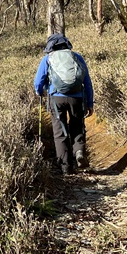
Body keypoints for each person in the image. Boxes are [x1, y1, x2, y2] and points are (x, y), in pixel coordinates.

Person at [34, 33, 94, 175]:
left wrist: (39, 92)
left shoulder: (47, 59)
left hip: (56, 99)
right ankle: (79, 152)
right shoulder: (76, 56)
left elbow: (38, 82)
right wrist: (90, 103)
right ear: (66, 44)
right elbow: (87, 82)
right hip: (77, 98)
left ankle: (66, 167)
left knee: (60, 132)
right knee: (77, 126)